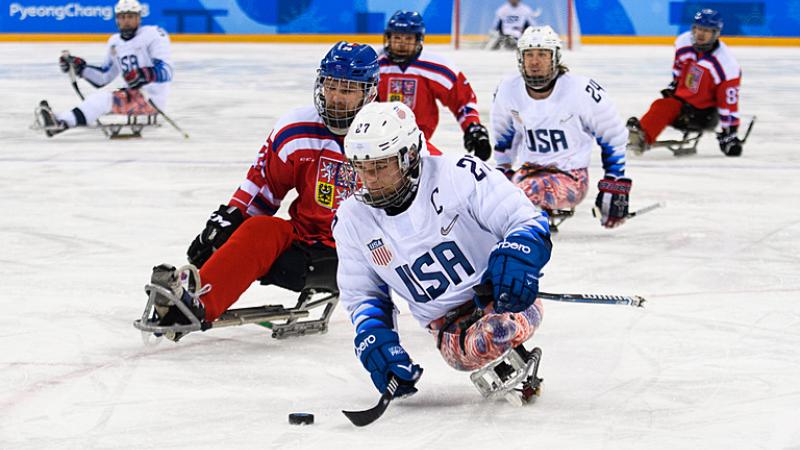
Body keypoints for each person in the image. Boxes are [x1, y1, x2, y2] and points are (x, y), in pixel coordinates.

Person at [139, 41, 380, 341]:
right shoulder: (297, 128)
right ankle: (194, 307)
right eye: (331, 86)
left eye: (346, 90)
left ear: (369, 92)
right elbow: (263, 186)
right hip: (305, 243)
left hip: (361, 256)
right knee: (257, 229)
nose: (335, 98)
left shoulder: (389, 133)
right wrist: (228, 222)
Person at [333, 101, 552, 400]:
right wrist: (376, 340)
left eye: (380, 166)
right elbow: (363, 295)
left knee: (500, 328)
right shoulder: (351, 218)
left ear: (409, 156)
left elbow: (526, 219)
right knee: (488, 339)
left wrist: (516, 258)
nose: (369, 180)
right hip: (448, 327)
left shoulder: (458, 175)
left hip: (504, 298)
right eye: (361, 168)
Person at [491, 26, 631, 229]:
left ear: (555, 57)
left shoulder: (581, 91)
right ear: (520, 58)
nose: (535, 61)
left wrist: (615, 184)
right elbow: (504, 140)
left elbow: (613, 136)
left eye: (542, 54)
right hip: (527, 173)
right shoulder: (508, 89)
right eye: (529, 54)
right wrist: (501, 176)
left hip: (570, 177)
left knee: (519, 198)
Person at [36, 0, 172, 137]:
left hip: (151, 99)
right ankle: (61, 120)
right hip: (131, 96)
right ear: (116, 19)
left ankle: (61, 123)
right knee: (99, 99)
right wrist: (80, 68)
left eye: (130, 16)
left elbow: (166, 71)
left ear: (139, 18)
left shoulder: (154, 35)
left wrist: (145, 74)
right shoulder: (115, 42)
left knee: (102, 100)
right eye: (122, 17)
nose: (126, 21)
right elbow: (103, 77)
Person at [627, 9, 743, 157]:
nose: (700, 34)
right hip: (683, 102)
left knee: (663, 106)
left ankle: (642, 136)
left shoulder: (726, 65)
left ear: (716, 33)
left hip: (704, 113)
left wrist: (730, 132)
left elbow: (729, 102)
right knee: (662, 105)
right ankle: (641, 134)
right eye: (697, 28)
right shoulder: (684, 43)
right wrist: (675, 85)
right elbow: (679, 69)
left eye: (706, 30)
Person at [379, 10, 492, 160]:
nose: (401, 44)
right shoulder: (374, 66)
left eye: (408, 38)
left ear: (419, 40)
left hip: (417, 142)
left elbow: (463, 100)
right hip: (376, 141)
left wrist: (472, 127)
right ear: (388, 38)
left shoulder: (436, 67)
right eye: (397, 37)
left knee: (442, 175)